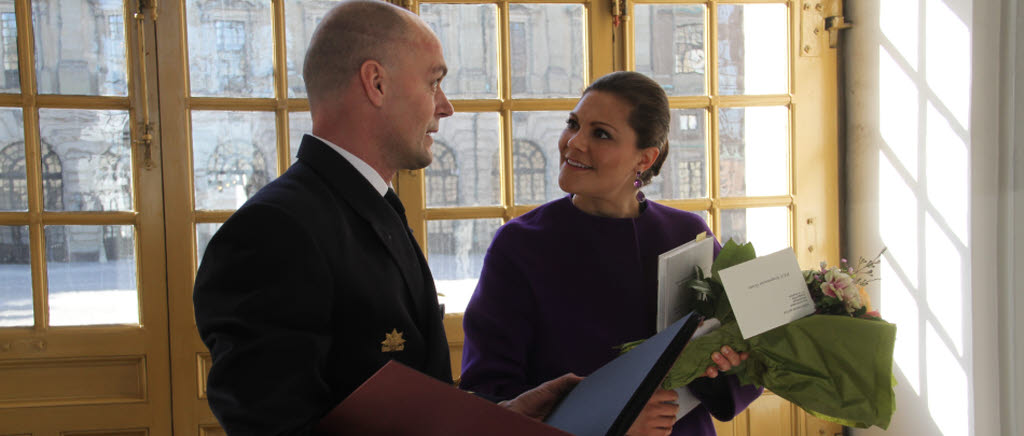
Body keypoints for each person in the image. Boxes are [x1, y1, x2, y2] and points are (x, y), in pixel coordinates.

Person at [192, 1, 578, 435]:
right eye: (434, 83)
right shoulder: (273, 231)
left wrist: (497, 420)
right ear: (376, 83)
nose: (446, 106)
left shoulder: (370, 204)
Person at [459, 71, 763, 436]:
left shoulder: (687, 233)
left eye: (600, 133)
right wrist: (607, 421)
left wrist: (722, 363)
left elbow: (740, 371)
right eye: (573, 124)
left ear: (645, 158)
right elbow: (490, 391)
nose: (574, 143)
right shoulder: (520, 245)